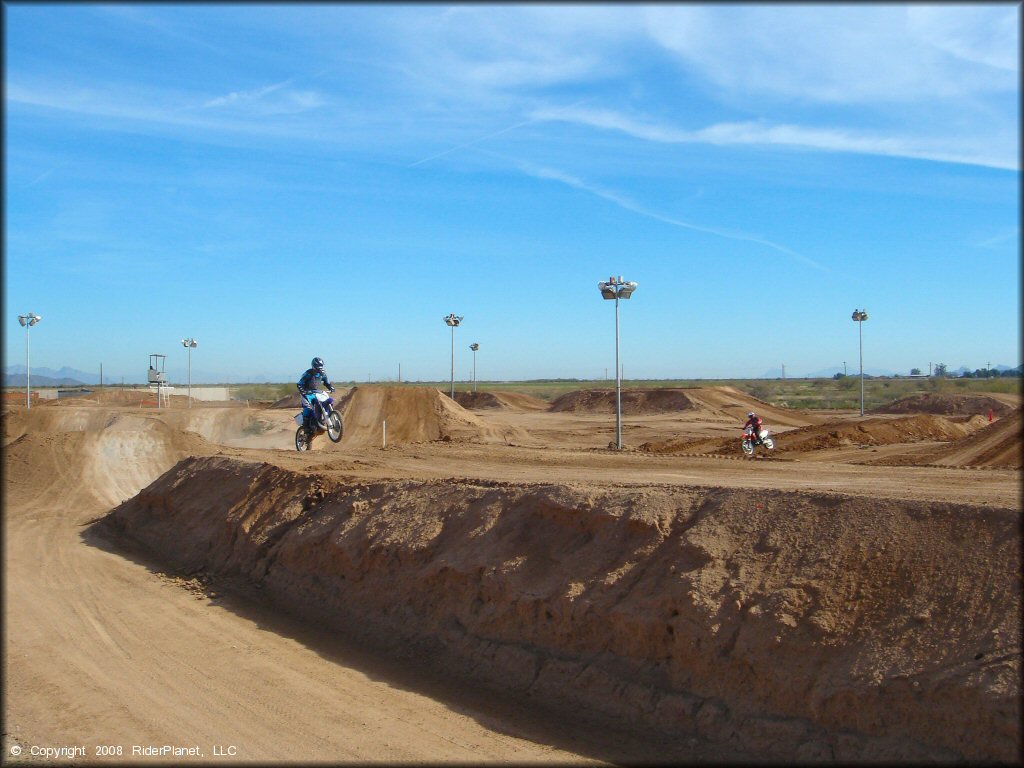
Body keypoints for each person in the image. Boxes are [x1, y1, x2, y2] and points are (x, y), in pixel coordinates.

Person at [296, 357, 335, 433]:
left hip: (316, 392)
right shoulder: (308, 373)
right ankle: (306, 426)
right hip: (306, 393)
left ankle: (324, 419)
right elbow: (299, 384)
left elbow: (326, 382)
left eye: (321, 366)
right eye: (318, 366)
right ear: (314, 365)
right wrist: (303, 392)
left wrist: (331, 387)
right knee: (308, 408)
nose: (320, 368)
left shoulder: (322, 373)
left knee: (325, 402)